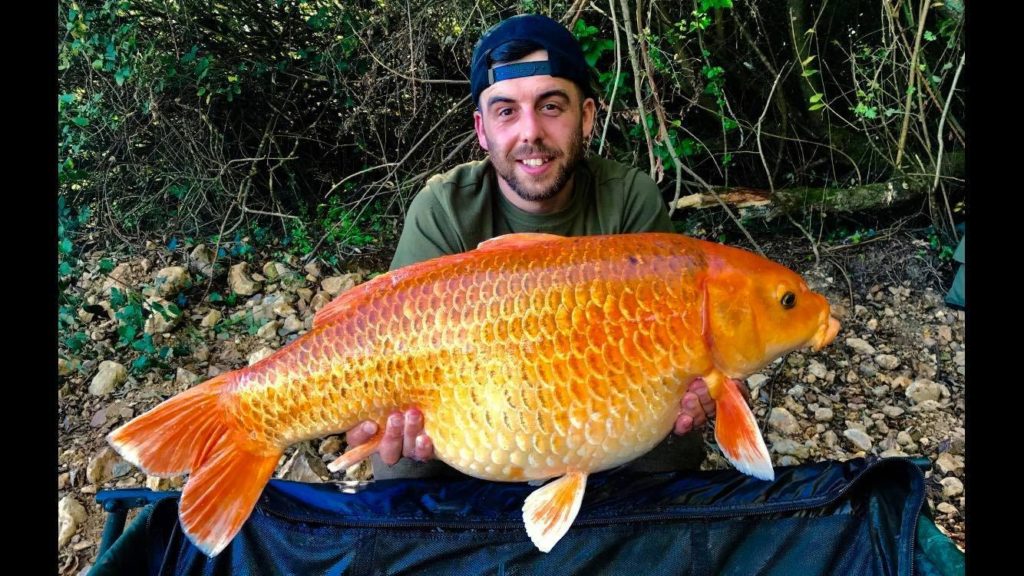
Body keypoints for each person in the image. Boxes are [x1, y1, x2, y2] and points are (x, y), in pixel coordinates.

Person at [345, 14, 728, 480]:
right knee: (401, 461)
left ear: (585, 118)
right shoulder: (443, 208)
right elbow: (377, 345)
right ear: (482, 129)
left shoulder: (629, 200)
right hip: (472, 417)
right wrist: (366, 417)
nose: (530, 133)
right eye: (506, 111)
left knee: (672, 436)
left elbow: (677, 349)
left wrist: (703, 388)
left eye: (550, 106)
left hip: (594, 410)